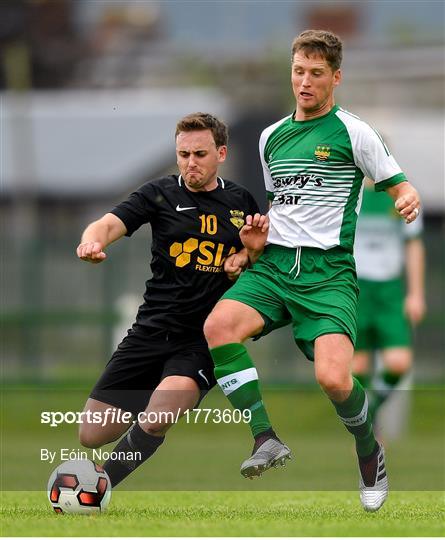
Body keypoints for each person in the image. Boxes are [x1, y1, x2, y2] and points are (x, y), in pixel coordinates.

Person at [203, 30, 421, 512]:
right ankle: (265, 437)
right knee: (218, 325)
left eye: (316, 73)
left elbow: (399, 185)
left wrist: (406, 199)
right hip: (276, 265)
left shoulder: (354, 132)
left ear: (335, 78)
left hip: (328, 273)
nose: (304, 81)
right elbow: (280, 205)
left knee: (334, 380)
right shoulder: (270, 137)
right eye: (299, 71)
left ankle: (369, 451)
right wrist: (252, 248)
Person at [76, 112, 262, 487]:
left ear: (221, 153)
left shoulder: (241, 200)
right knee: (91, 433)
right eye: (183, 154)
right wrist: (92, 240)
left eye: (200, 154)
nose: (190, 162)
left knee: (160, 413)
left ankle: (100, 486)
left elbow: (261, 258)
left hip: (202, 338)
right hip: (151, 329)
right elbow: (109, 222)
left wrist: (245, 257)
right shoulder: (158, 193)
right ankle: (152, 413)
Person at [353, 179, 426, 423]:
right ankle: (363, 427)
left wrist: (416, 294)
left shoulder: (404, 195)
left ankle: (370, 414)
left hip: (390, 290)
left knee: (398, 362)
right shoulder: (350, 191)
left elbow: (413, 244)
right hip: (356, 288)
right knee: (357, 368)